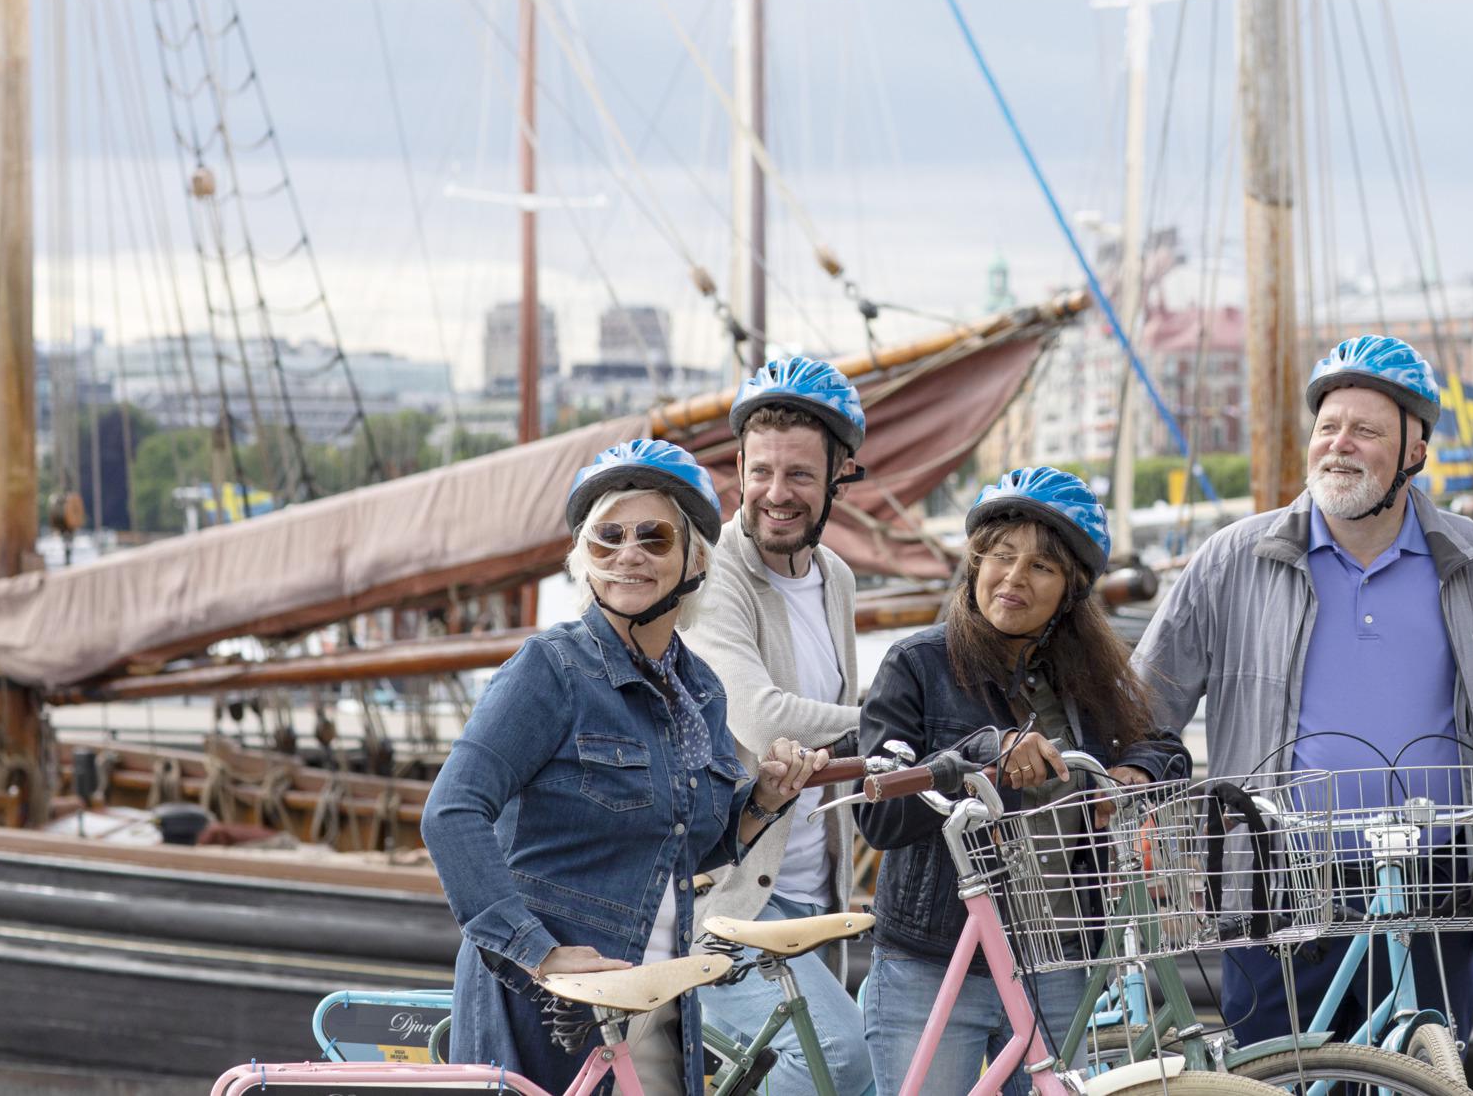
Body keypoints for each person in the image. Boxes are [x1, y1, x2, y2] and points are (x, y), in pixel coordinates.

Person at [1132, 334, 1473, 1052]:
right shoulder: (1232, 560)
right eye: (1328, 427)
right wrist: (1141, 782)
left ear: (1414, 451)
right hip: (1278, 881)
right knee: (1277, 1075)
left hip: (1435, 881)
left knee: (1421, 1074)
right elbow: (1146, 702)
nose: (1339, 444)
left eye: (1365, 430)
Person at [424, 437, 831, 1096]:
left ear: (694, 557)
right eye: (606, 537)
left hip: (662, 992)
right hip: (553, 1007)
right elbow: (451, 812)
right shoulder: (550, 670)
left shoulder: (699, 689)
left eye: (653, 536)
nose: (629, 554)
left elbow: (689, 844)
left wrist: (763, 800)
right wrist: (540, 952)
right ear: (583, 557)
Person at [856, 466, 1190, 1096]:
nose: (1013, 578)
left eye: (1041, 567)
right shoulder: (916, 665)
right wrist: (984, 756)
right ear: (975, 564)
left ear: (1070, 590)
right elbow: (878, 814)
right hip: (935, 962)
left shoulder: (1085, 674)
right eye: (1001, 557)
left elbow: (1163, 743)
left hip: (1057, 958)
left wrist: (1134, 769)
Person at [680, 357, 873, 1095]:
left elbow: (841, 739)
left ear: (837, 475)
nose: (776, 493)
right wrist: (895, 719)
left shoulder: (838, 578)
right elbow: (759, 716)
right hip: (732, 896)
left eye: (799, 473)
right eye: (760, 471)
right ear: (736, 466)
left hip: (818, 893)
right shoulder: (713, 571)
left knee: (825, 1068)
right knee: (840, 1060)